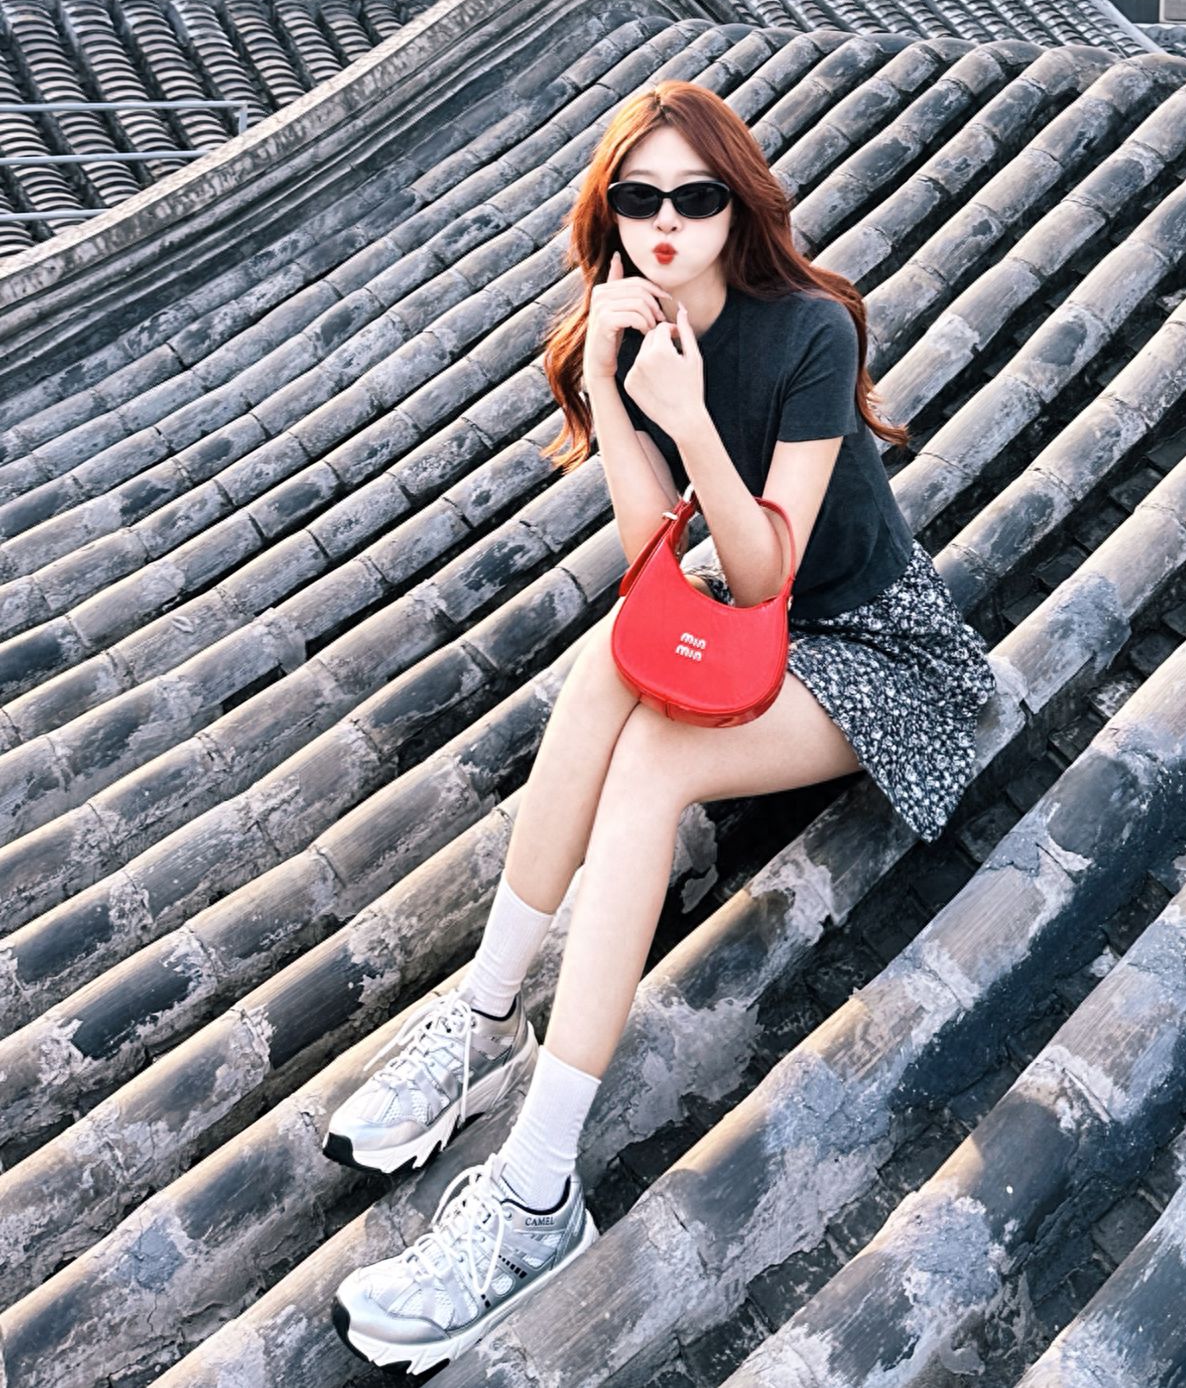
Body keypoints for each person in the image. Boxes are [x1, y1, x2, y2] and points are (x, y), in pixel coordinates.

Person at [328, 80, 997, 1372]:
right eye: (640, 200)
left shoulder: (808, 331)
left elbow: (762, 575)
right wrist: (615, 392)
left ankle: (535, 1194)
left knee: (651, 767)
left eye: (698, 196)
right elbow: (652, 559)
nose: (668, 223)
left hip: (876, 652)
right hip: (758, 636)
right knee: (599, 676)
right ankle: (481, 1020)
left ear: (739, 206)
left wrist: (689, 415)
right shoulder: (622, 327)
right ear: (612, 216)